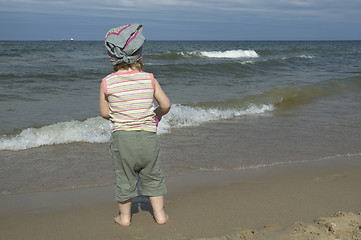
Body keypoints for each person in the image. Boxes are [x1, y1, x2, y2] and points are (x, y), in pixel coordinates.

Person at [99, 24, 170, 226]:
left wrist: (120, 117)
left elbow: (105, 113)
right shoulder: (149, 79)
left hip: (123, 141)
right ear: (139, 53)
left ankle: (125, 217)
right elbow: (166, 105)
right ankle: (160, 216)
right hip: (148, 138)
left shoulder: (107, 82)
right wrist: (155, 115)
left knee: (124, 179)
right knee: (153, 176)